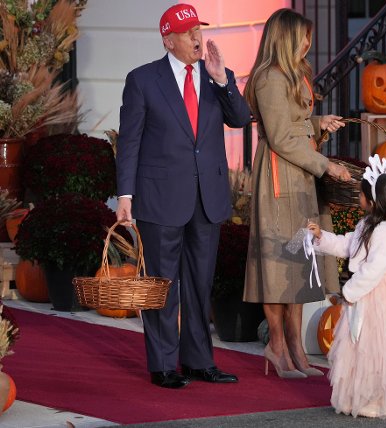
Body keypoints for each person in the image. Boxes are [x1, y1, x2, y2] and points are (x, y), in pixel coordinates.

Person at [115, 3, 251, 389]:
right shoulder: (142, 80)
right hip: (160, 198)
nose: (197, 38)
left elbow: (241, 119)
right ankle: (162, 364)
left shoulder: (214, 79)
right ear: (168, 39)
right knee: (161, 283)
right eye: (188, 32)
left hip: (206, 198)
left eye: (199, 30)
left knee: (199, 284)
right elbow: (130, 142)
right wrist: (125, 194)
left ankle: (198, 361)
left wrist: (223, 80)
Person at [242, 8, 351, 379]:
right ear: (287, 38)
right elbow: (281, 138)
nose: (308, 43)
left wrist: (319, 124)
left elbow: (295, 126)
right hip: (280, 179)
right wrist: (326, 164)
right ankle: (277, 347)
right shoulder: (269, 78)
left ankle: (296, 351)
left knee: (302, 262)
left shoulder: (293, 75)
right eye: (304, 36)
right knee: (279, 264)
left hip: (300, 177)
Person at [307, 155, 386, 419]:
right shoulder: (366, 224)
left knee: (376, 347)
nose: (359, 198)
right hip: (363, 292)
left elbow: (375, 268)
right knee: (357, 345)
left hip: (378, 294)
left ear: (373, 199)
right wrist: (322, 237)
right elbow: (348, 245)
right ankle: (356, 396)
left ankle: (377, 398)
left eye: (362, 194)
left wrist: (350, 290)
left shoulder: (385, 231)